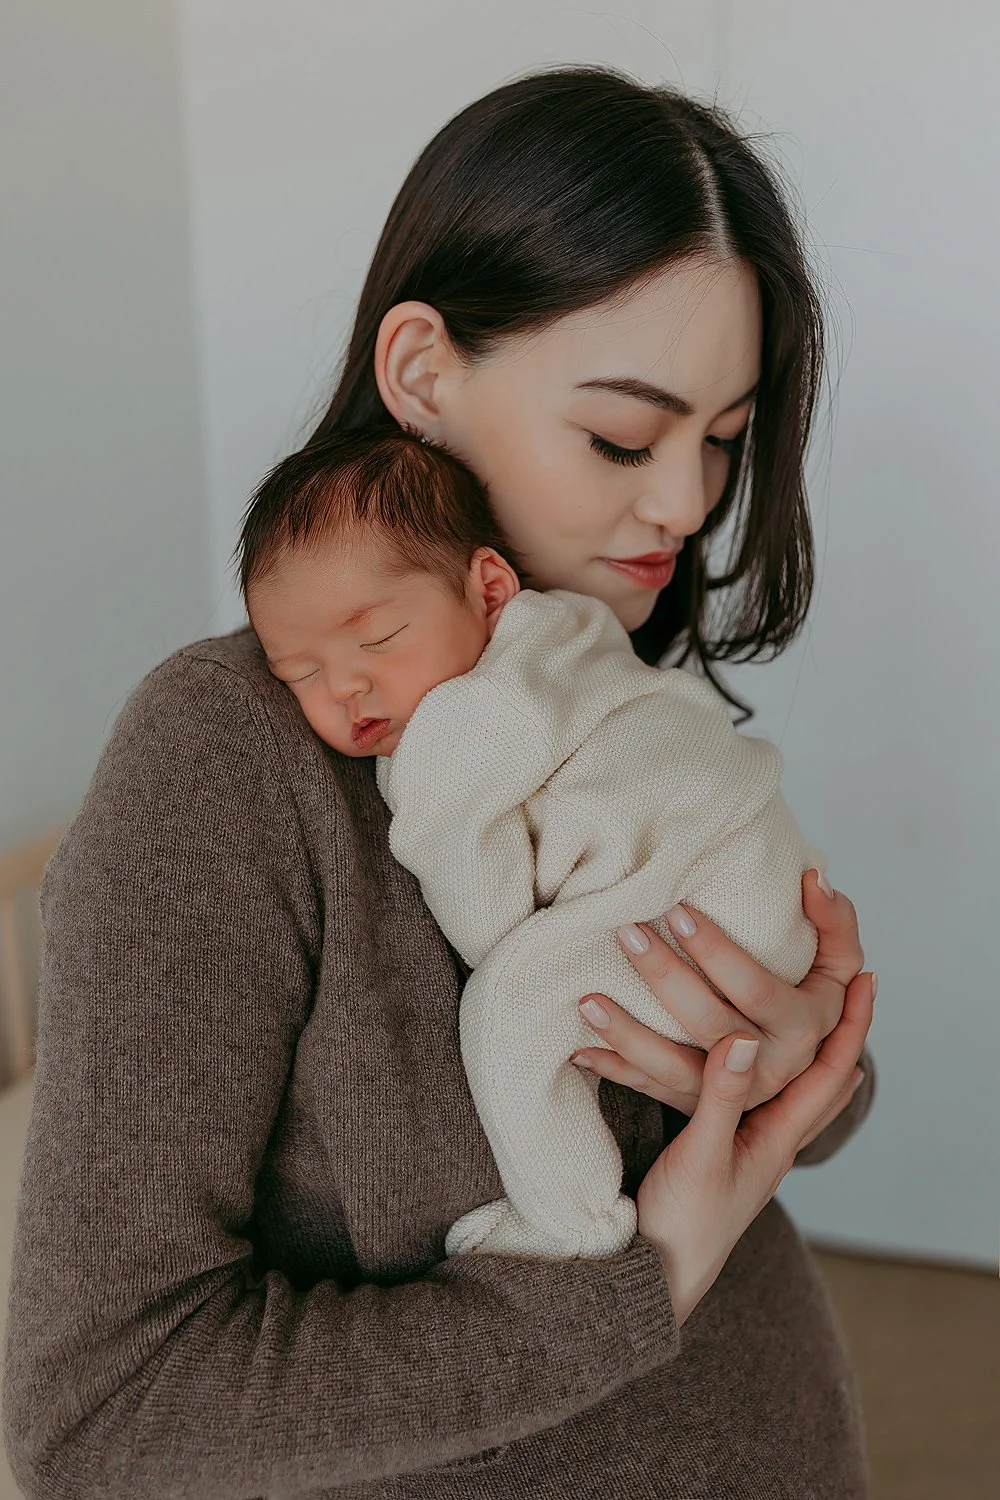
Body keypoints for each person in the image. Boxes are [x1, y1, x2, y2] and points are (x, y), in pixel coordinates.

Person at [2, 64, 878, 1499]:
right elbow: (102, 1418)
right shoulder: (221, 760)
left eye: (724, 438)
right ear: (420, 372)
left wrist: (801, 1067)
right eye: (622, 436)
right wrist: (637, 1282)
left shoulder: (600, 665)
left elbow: (742, 1090)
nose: (684, 505)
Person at [240, 428, 836, 1263]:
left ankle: (571, 1221)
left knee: (510, 1008)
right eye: (297, 672)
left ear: (487, 587)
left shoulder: (460, 721)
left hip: (698, 910)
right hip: (760, 883)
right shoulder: (571, 628)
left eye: (376, 639)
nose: (344, 687)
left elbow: (487, 921)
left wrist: (416, 797)